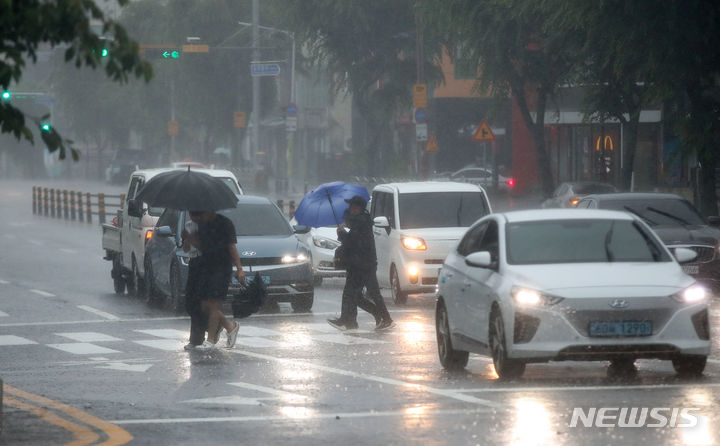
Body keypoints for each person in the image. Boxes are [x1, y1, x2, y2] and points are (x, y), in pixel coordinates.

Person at [327, 195, 395, 331]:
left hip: (361, 265)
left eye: (352, 206)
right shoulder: (361, 221)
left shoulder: (361, 222)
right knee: (357, 295)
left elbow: (354, 243)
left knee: (352, 293)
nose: (350, 208)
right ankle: (357, 320)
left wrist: (342, 234)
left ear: (358, 208)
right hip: (361, 264)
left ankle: (349, 321)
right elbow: (354, 242)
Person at [181, 210, 244, 351]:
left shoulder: (224, 224)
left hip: (220, 267)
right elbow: (188, 248)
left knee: (213, 302)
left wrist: (239, 268)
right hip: (202, 266)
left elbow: (228, 246)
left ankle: (210, 339)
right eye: (192, 214)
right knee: (200, 304)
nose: (195, 217)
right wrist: (187, 238)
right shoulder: (193, 225)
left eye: (198, 214)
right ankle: (228, 326)